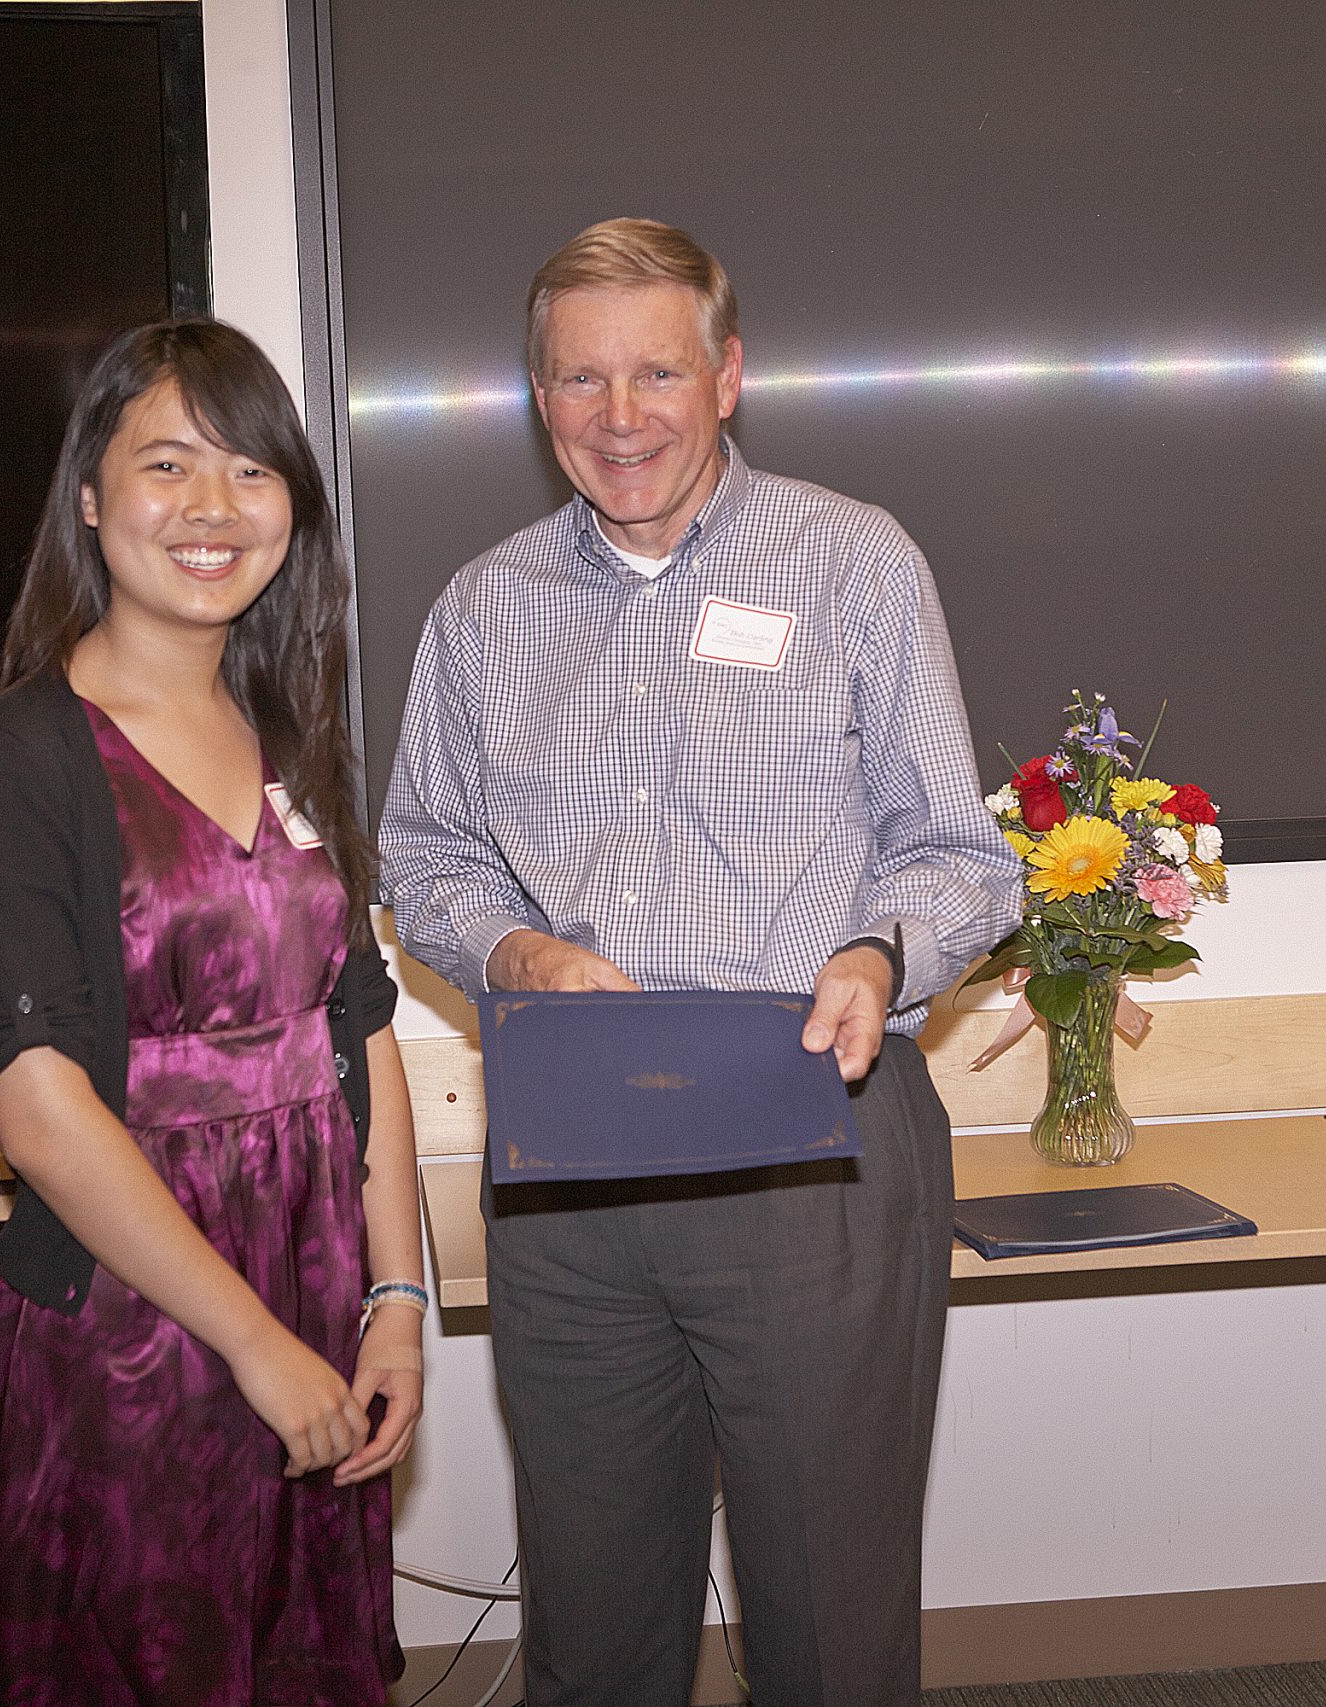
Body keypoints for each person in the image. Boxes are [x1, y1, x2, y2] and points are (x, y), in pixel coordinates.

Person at [379, 219, 1024, 1707]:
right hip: (578, 1169)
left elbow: (960, 857)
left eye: (657, 371)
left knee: (830, 1624)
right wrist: (513, 946)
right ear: (539, 400)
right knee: (596, 1633)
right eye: (581, 381)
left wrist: (878, 948)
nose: (621, 418)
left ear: (727, 376)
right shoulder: (482, 611)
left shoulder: (856, 561)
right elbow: (425, 858)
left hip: (817, 1142)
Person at [0, 321, 423, 1707]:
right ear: (91, 496)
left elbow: (356, 1023)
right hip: (132, 1317)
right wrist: (255, 1345)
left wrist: (393, 1301)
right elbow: (36, 1106)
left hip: (317, 1282)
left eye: (252, 471)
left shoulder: (292, 726)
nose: (215, 509)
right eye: (168, 465)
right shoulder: (19, 755)